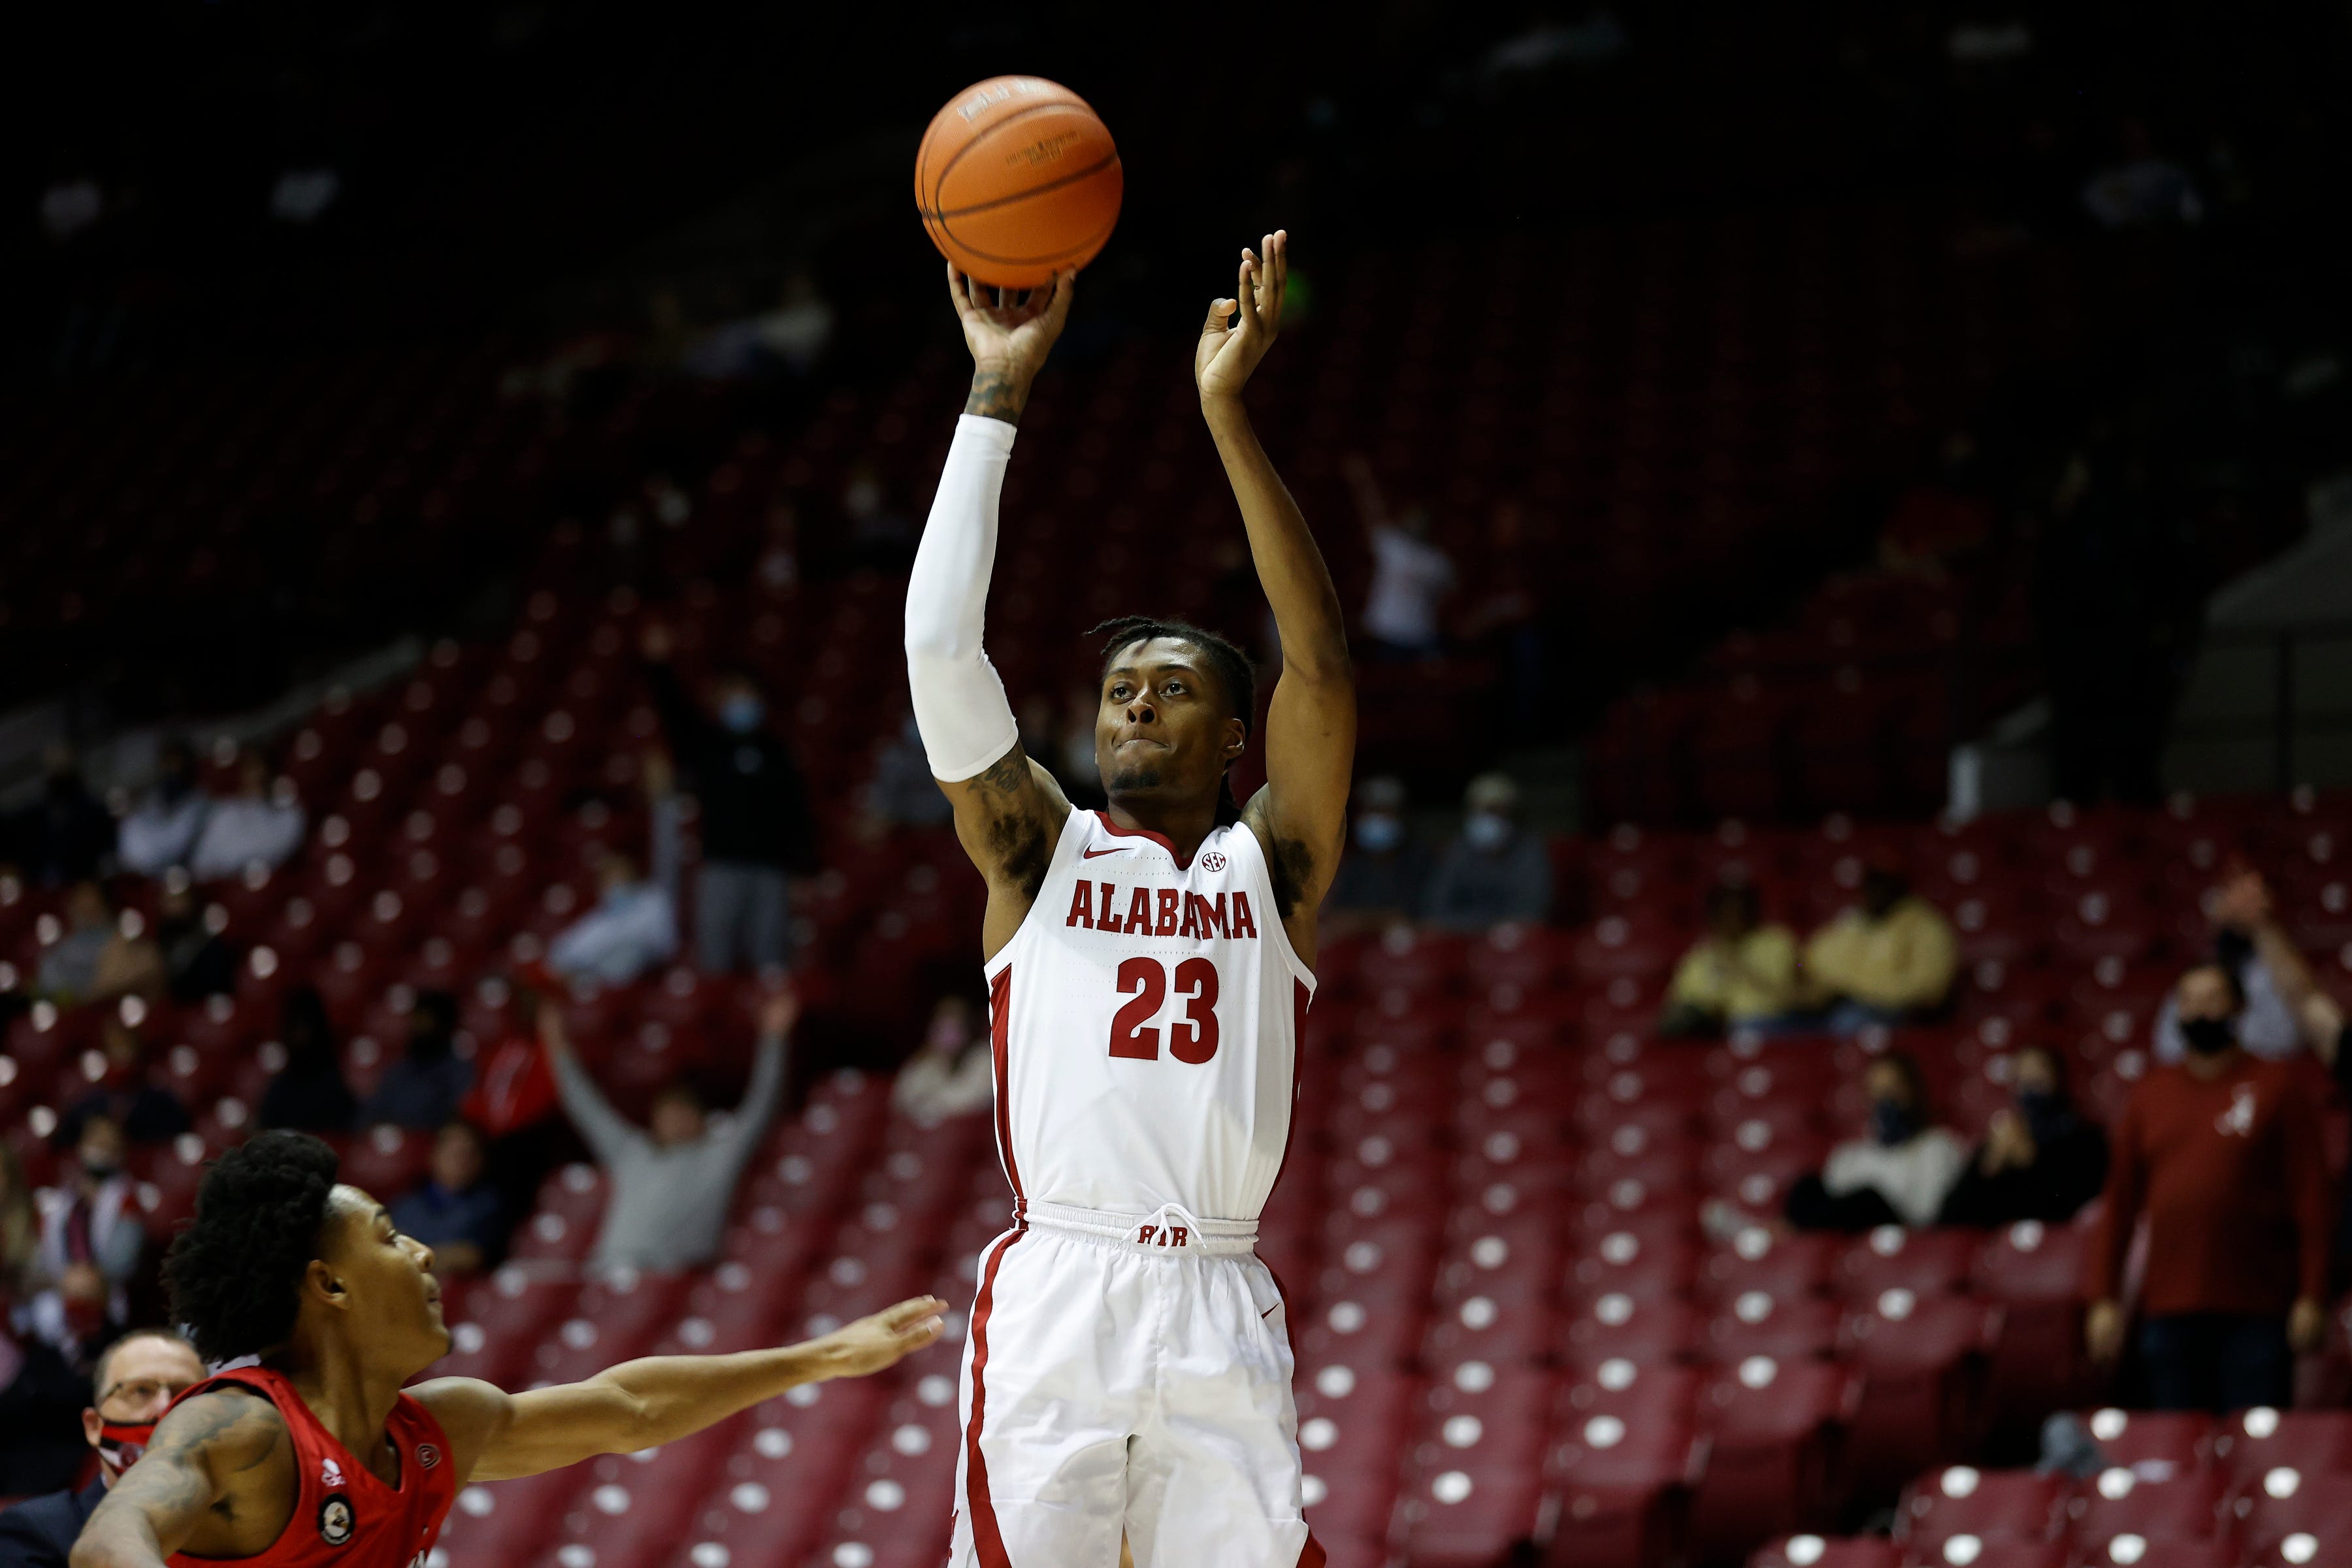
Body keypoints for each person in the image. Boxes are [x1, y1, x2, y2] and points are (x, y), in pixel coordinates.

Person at [907, 232, 1352, 1568]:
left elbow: (1321, 663)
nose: (1137, 698)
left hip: (1221, 1287)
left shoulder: (1269, 868)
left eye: (1175, 686)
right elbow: (941, 648)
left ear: (1235, 740)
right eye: (1119, 688)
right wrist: (996, 392)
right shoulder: (1040, 853)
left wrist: (1226, 411)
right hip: (1065, 1287)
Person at [67, 1130, 945, 1568]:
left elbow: (630, 1409)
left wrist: (818, 1358)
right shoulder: (244, 1426)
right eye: (385, 1235)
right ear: (327, 1286)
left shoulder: (436, 1431)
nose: (417, 1251)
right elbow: (112, 1536)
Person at [2085, 963, 2333, 1412]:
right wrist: (2104, 1298)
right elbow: (2120, 1206)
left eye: (2213, 998)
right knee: (2178, 1449)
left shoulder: (2275, 1086)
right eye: (2190, 1000)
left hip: (2258, 1307)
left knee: (2254, 1446)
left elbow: (2312, 1198)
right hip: (2169, 1308)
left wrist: (2312, 1295)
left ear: (2238, 1008)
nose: (2200, 1010)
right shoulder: (2151, 1094)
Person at [543, 988, 793, 1273]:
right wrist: (555, 1041)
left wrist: (773, 1040)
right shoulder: (631, 1151)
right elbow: (583, 1104)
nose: (675, 1120)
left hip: (670, 1276)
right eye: (667, 1113)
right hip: (608, 1269)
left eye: (684, 1111)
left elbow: (763, 1103)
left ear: (701, 1119)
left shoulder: (721, 1153)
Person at [638, 625, 819, 974]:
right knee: (715, 958)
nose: (740, 702)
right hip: (721, 866)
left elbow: (796, 813)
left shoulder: (776, 752)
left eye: (745, 693)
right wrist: (658, 666)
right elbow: (674, 715)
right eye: (731, 695)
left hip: (771, 868)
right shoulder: (708, 746)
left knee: (771, 961)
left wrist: (803, 867)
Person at [0, 1330, 204, 1568]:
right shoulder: (35, 1533)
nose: (165, 1408)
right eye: (141, 1390)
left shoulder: (243, 1531)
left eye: (185, 1393)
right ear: (94, 1427)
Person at [1785, 1052, 1968, 1231]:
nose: (1886, 1100)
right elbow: (1833, 1202)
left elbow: (1927, 1216)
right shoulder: (1851, 1155)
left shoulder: (1937, 1145)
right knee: (1808, 1186)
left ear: (1913, 1092)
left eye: (1893, 1090)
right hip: (1852, 1239)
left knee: (1868, 1200)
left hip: (1905, 1233)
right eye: (1877, 1092)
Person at [544, 752, 683, 987]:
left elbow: (661, 944)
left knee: (627, 953)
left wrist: (663, 802)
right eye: (609, 879)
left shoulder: (654, 900)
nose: (616, 885)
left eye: (621, 876)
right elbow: (559, 954)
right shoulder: (599, 920)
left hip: (643, 975)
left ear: (633, 877)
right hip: (598, 983)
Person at [1937, 1044, 2110, 1226]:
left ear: (2059, 1078)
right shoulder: (1999, 1145)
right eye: (2023, 1079)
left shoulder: (2086, 1141)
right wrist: (1990, 1165)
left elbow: (2069, 1207)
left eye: (2039, 1077)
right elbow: (1950, 1220)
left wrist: (2029, 1160)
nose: (2030, 1085)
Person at [2152, 866, 2310, 1062]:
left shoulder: (2274, 974)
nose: (2238, 907)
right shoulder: (2195, 976)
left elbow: (2288, 1040)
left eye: (2250, 899)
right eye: (2229, 896)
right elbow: (2169, 1050)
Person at [29, 1116, 145, 1362]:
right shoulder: (61, 1202)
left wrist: (86, 1280)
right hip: (58, 1293)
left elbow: (123, 1263)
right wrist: (62, 1282)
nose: (101, 1150)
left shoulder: (126, 1199)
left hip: (106, 1298)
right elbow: (40, 1258)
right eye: (96, 1141)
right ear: (81, 1146)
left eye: (109, 1144)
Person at [1803, 858, 1959, 1031]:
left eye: (1883, 885)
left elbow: (1929, 990)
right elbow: (1810, 960)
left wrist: (1861, 987)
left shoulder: (1926, 926)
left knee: (1846, 1021)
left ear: (1899, 887)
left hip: (1900, 1013)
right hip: (1841, 1002)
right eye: (1871, 885)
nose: (1875, 892)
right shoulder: (1854, 921)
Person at [1341, 451, 1454, 658]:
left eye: (1423, 516)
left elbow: (1449, 600)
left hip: (1421, 640)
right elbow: (1372, 511)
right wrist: (1361, 478)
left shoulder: (1440, 562)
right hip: (1384, 638)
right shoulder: (1395, 546)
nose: (1419, 521)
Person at [1661, 879, 1803, 1036]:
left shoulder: (1777, 942)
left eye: (1739, 910)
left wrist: (1739, 964)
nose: (1733, 918)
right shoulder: (1701, 955)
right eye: (1725, 911)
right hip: (1718, 1031)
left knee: (1746, 1027)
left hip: (1773, 1024)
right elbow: (1682, 1001)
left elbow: (1785, 997)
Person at [1420, 773, 1552, 931]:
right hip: (1462, 943)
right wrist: (1483, 925)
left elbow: (1530, 915)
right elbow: (1435, 911)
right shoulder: (1459, 850)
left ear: (1513, 814)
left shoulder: (1530, 851)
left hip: (1511, 945)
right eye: (1478, 810)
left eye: (1494, 810)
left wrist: (1466, 924)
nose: (1486, 818)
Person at [387, 1122, 506, 1276]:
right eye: (454, 1153)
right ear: (434, 1156)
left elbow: (470, 1257)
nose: (461, 1161)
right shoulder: (405, 1205)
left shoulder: (489, 1206)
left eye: (469, 1154)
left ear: (481, 1160)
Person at [60, 1019, 193, 1147]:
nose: (121, 1055)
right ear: (105, 1054)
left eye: (126, 1046)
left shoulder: (160, 1102)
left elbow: (178, 1135)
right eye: (115, 1047)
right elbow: (65, 1139)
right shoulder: (90, 1102)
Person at [1320, 775, 1428, 932]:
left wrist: (1363, 921)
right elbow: (1337, 916)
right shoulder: (1354, 866)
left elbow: (1415, 917)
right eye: (1371, 811)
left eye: (1384, 811)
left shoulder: (1420, 863)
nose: (1376, 819)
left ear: (1401, 816)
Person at [357, 990, 471, 1131]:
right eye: (416, 1020)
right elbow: (373, 1114)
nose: (417, 1027)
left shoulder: (458, 1072)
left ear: (443, 1025)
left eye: (425, 1021)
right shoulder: (400, 1070)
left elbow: (456, 1119)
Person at [186, 752, 306, 883]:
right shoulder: (225, 811)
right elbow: (201, 863)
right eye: (249, 769)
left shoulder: (287, 812)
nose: (253, 776)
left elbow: (280, 851)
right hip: (224, 885)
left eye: (258, 769)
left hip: (265, 884)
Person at [6, 745, 114, 889]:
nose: (59, 770)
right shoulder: (34, 814)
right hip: (45, 888)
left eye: (63, 765)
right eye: (54, 766)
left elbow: (105, 854)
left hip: (84, 884)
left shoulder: (94, 811)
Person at [256, 986, 358, 1134]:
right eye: (293, 1028)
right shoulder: (279, 1089)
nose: (298, 1036)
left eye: (302, 1028)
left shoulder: (333, 1090)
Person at [891, 996, 994, 1124]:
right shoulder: (926, 1062)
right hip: (930, 1138)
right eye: (940, 1028)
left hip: (969, 1134)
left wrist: (934, 1104)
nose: (946, 1034)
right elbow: (903, 1098)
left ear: (968, 1029)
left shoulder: (983, 1059)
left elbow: (974, 1099)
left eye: (954, 1027)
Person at [116, 741, 208, 877]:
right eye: (168, 763)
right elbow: (130, 853)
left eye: (177, 763)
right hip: (145, 877)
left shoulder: (200, 802)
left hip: (185, 876)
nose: (173, 769)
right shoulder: (150, 800)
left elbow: (176, 846)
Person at [153, 881, 237, 1002]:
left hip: (210, 998)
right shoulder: (163, 934)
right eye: (171, 900)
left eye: (180, 900)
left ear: (190, 899)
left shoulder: (209, 934)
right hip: (180, 1002)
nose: (175, 905)